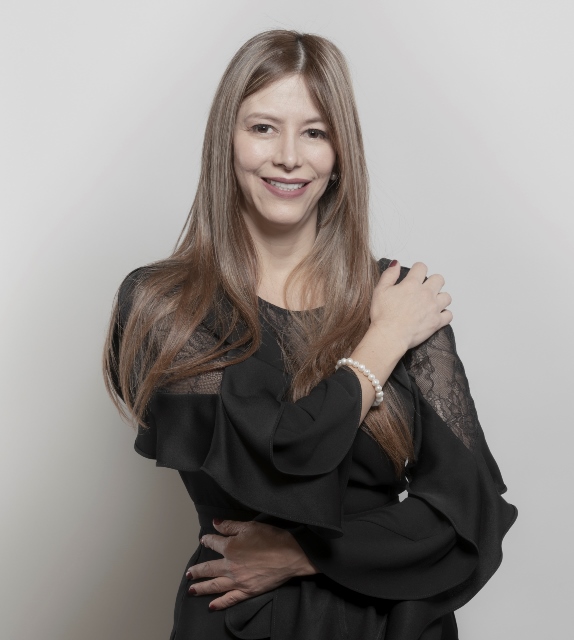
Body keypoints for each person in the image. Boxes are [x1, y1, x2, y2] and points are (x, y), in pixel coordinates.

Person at [103, 29, 517, 640]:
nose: (289, 157)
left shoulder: (395, 295)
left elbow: (470, 512)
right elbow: (282, 461)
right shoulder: (169, 305)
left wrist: (303, 555)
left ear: (340, 153)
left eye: (315, 132)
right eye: (263, 127)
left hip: (394, 624)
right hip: (243, 621)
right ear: (226, 141)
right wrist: (383, 341)